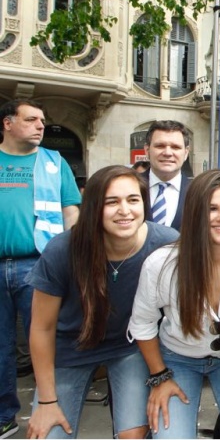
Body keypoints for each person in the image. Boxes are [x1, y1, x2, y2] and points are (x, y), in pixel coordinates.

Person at [25, 165, 179, 439]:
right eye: (112, 202)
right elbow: (41, 328)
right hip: (69, 350)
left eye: (133, 200)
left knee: (133, 434)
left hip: (129, 347)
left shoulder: (166, 245)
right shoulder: (63, 249)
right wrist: (47, 402)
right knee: (49, 434)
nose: (125, 210)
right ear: (94, 206)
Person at [129, 169, 220, 438]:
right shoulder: (162, 264)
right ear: (195, 214)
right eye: (212, 209)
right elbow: (143, 325)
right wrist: (159, 377)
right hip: (176, 361)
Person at [0, 99, 81, 439]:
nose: (40, 125)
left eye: (42, 121)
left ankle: (48, 408)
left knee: (48, 341)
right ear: (7, 123)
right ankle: (5, 416)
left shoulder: (53, 161)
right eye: (31, 119)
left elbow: (70, 211)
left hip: (40, 265)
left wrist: (68, 259)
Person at [143, 121, 192, 230]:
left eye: (175, 147)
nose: (168, 153)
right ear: (147, 151)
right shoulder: (131, 186)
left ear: (186, 153)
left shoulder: (198, 191)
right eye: (160, 146)